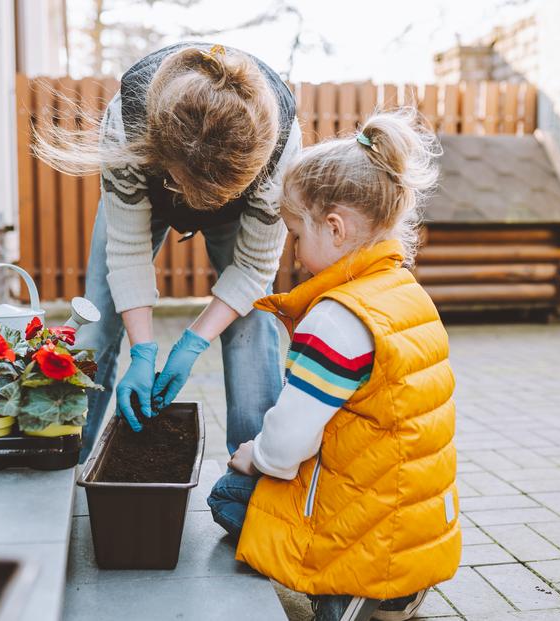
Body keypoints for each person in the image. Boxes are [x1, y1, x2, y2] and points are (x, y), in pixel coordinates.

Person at [206, 110, 461, 621]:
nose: (294, 253)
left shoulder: (336, 319)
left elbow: (290, 441)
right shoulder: (404, 294)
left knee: (229, 494)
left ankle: (344, 590)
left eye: (296, 234)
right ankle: (398, 589)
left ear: (336, 228)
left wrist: (254, 455)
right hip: (416, 527)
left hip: (366, 529)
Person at [38, 43, 301, 458]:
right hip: (148, 185)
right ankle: (66, 461)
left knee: (250, 321)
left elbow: (253, 268)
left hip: (237, 207)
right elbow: (126, 254)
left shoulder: (280, 148)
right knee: (99, 318)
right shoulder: (127, 126)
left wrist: (192, 343)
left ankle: (253, 472)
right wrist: (143, 349)